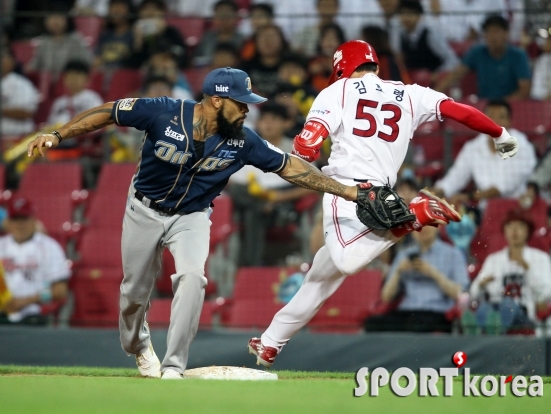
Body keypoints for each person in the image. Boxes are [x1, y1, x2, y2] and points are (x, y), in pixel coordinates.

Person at [26, 67, 368, 380]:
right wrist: (58, 134)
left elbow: (290, 167)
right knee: (134, 294)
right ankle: (138, 346)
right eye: (241, 103)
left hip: (192, 215)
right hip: (143, 209)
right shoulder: (164, 111)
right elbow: (110, 111)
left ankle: (174, 367)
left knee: (192, 277)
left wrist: (349, 191)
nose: (248, 110)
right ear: (217, 100)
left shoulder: (242, 140)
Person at [247, 39, 520, 368]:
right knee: (320, 276)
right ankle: (271, 342)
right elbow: (458, 110)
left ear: (340, 66)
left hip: (346, 190)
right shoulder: (410, 93)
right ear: (374, 64)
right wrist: (500, 133)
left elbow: (308, 145)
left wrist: (302, 153)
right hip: (383, 194)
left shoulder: (340, 90)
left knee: (346, 262)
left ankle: (413, 217)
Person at [228, 102, 314, 266]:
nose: (268, 124)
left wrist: (279, 197)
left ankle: (249, 269)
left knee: (252, 212)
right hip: (251, 197)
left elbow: (312, 185)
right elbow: (232, 179)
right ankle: (252, 268)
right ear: (258, 123)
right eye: (264, 119)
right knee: (243, 196)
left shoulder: (296, 149)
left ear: (286, 123)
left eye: (274, 119)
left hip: (283, 203)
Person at [466, 209, 551, 333]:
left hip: (526, 315)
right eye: (510, 226)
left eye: (520, 226)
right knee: (484, 307)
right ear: (504, 231)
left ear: (528, 231)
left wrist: (528, 268)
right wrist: (481, 284)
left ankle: (490, 334)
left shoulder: (540, 258)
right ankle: (477, 332)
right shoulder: (493, 260)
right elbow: (474, 292)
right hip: (496, 308)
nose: (514, 231)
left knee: (508, 304)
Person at [363, 224, 468, 333]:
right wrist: (398, 272)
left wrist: (432, 273)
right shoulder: (404, 254)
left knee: (416, 325)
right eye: (417, 226)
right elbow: (386, 297)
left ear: (438, 226)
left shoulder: (453, 254)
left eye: (427, 225)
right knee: (372, 323)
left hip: (436, 312)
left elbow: (461, 294)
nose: (422, 229)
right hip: (406, 311)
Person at [434, 100, 536, 205]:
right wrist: (439, 191)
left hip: (516, 207)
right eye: (490, 117)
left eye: (501, 117)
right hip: (484, 209)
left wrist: (469, 197)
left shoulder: (523, 146)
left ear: (510, 122)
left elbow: (502, 188)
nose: (495, 122)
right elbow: (455, 177)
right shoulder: (473, 147)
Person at [0, 197, 70, 325]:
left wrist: (27, 300)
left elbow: (60, 291)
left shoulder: (49, 247)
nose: (20, 225)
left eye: (24, 219)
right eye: (15, 220)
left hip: (35, 315)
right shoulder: (1, 246)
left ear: (34, 221)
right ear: (8, 222)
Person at [435, 15, 531, 100]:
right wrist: (434, 95)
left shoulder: (518, 55)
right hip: (483, 104)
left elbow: (524, 90)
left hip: (510, 106)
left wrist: (500, 105)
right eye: (489, 32)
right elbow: (455, 75)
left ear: (506, 34)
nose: (493, 37)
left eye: (497, 32)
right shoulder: (477, 52)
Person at [395, 1, 459, 75]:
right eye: (402, 14)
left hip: (433, 81)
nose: (406, 18)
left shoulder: (430, 33)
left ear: (419, 15)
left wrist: (438, 74)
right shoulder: (400, 35)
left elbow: (452, 60)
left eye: (410, 14)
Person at [24, 10, 93, 79]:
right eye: (51, 18)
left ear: (67, 20)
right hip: (47, 81)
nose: (55, 21)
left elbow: (86, 62)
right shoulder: (44, 41)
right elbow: (36, 63)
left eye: (58, 18)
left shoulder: (76, 40)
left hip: (69, 81)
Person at [127, 0, 188, 69]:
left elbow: (183, 59)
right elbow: (130, 67)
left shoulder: (171, 32)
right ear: (139, 13)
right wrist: (138, 43)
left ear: (163, 13)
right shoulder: (132, 34)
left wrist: (162, 35)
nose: (150, 12)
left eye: (155, 9)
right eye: (146, 8)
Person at [47, 61, 104, 128]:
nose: (73, 79)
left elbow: (98, 122)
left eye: (77, 76)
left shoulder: (92, 98)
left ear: (87, 79)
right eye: (70, 76)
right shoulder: (59, 102)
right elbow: (50, 125)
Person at [241, 24, 289, 97]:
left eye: (272, 37)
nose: (267, 41)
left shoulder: (291, 65)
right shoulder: (245, 67)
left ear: (282, 40)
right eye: (263, 37)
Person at [1, 48, 39, 139]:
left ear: (12, 61)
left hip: (19, 137)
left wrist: (2, 111)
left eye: (3, 58)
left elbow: (27, 113)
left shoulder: (22, 84)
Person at [193, 0, 244, 67]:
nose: (223, 19)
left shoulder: (243, 40)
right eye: (220, 15)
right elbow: (195, 59)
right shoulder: (208, 37)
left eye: (227, 15)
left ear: (236, 17)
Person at [94, 0, 135, 71]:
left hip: (124, 74)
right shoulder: (105, 35)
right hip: (104, 73)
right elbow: (97, 58)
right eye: (113, 6)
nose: (116, 10)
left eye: (120, 7)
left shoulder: (134, 34)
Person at [309, 23, 346, 92]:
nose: (329, 42)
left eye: (333, 38)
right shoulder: (312, 62)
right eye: (326, 38)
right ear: (320, 42)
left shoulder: (346, 63)